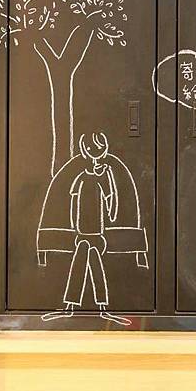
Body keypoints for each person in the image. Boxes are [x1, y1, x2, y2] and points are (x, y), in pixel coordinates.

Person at [41, 132, 131, 325]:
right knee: (87, 259)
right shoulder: (81, 177)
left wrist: (111, 216)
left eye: (97, 148)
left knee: (88, 259)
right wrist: (75, 227)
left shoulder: (104, 175)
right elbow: (74, 202)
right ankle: (98, 307)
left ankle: (75, 307)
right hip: (82, 233)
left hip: (97, 233)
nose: (92, 152)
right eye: (89, 148)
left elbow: (111, 200)